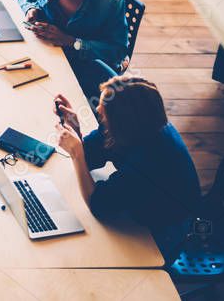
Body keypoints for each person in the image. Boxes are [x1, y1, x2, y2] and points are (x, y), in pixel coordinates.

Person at [53, 74, 200, 258]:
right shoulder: (138, 124)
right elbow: (90, 156)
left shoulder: (149, 161)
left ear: (120, 123)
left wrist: (76, 153)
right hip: (143, 204)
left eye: (103, 114)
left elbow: (98, 205)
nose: (98, 110)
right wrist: (75, 130)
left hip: (164, 232)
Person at [13, 0, 129, 100]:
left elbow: (117, 51)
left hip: (83, 67)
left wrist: (71, 42)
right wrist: (30, 7)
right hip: (50, 52)